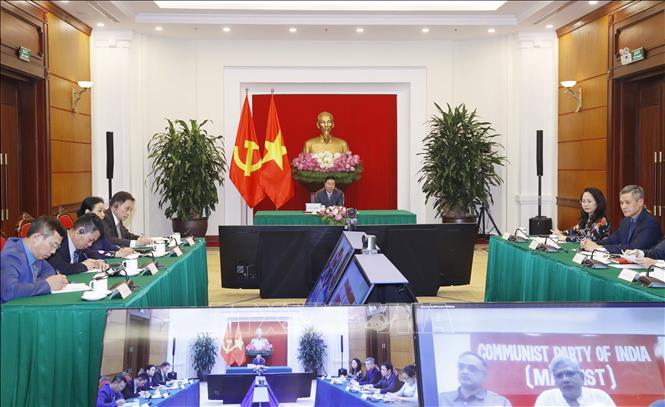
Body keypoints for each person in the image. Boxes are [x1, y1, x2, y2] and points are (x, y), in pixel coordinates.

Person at [1, 216, 68, 303]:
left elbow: (49, 270)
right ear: (37, 237)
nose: (53, 251)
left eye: (56, 247)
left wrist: (34, 286)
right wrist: (46, 285)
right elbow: (8, 292)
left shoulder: (36, 254)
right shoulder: (10, 256)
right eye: (52, 245)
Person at [582, 185, 662, 254]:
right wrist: (592, 243)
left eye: (627, 202)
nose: (623, 207)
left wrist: (599, 248)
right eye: (621, 203)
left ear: (640, 202)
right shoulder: (626, 220)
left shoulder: (650, 222)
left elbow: (633, 248)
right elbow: (613, 239)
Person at [534, 355, 615, 406]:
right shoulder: (546, 399)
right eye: (559, 376)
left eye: (570, 374)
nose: (565, 379)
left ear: (582, 377)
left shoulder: (600, 397)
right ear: (555, 382)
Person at [438, 352, 512, 406]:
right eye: (461, 367)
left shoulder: (499, 403)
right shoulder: (441, 400)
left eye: (472, 368)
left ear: (484, 375)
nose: (464, 371)